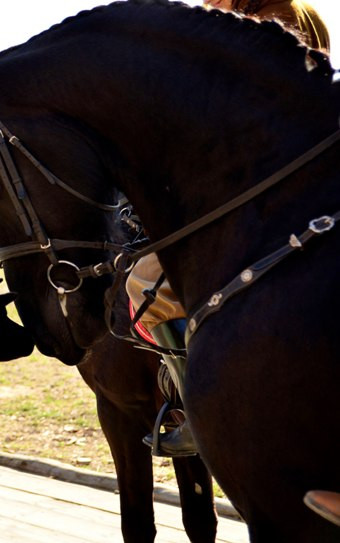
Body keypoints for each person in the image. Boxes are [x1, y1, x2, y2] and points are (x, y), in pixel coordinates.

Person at [127, 0, 331, 457]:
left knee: (145, 282)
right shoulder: (287, 11)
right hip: (287, 180)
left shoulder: (261, 18)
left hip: (274, 193)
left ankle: (193, 413)